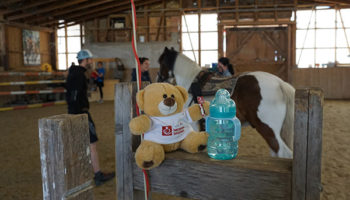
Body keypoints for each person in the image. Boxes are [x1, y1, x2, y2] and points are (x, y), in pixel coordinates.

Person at [65, 49, 115, 186]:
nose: (91, 62)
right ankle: (98, 174)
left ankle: (77, 173)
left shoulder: (76, 73)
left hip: (76, 112)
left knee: (80, 143)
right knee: (92, 143)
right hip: (80, 113)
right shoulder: (79, 75)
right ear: (85, 60)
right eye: (90, 60)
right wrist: (78, 114)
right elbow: (74, 95)